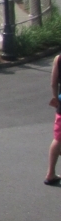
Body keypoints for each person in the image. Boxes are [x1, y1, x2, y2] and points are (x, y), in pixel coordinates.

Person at [45, 54, 61, 186]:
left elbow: (53, 82)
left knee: (58, 138)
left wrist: (56, 98)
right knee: (58, 140)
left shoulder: (58, 59)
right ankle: (50, 174)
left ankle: (51, 173)